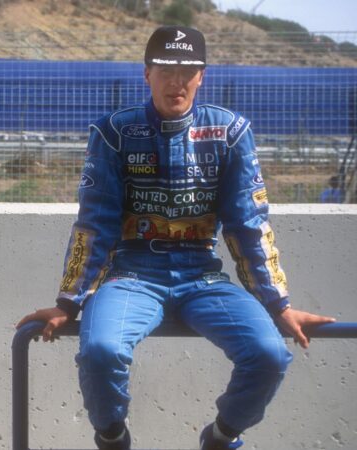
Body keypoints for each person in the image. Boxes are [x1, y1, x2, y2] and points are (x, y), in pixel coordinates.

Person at [17, 26, 336, 450]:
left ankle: (221, 436)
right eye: (166, 69)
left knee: (270, 353)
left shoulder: (230, 132)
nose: (176, 80)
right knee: (100, 351)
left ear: (202, 75)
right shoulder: (114, 133)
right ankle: (112, 437)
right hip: (131, 274)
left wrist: (279, 304)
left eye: (188, 70)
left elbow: (248, 223)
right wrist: (67, 303)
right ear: (146, 73)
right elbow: (96, 223)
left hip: (202, 276)